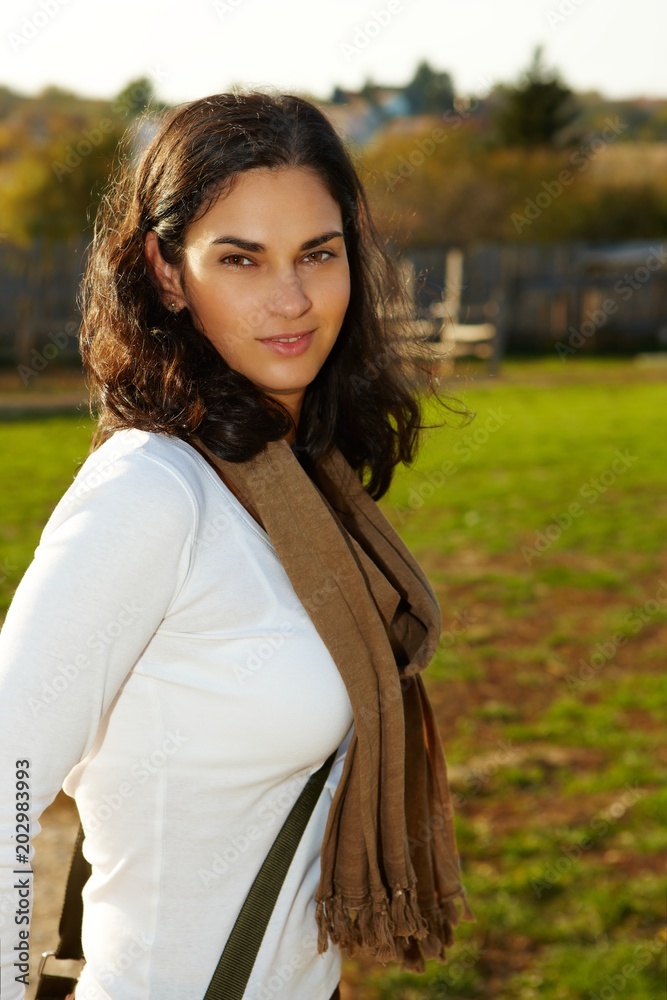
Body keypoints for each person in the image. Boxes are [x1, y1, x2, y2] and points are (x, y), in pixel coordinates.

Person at [0, 91, 469, 1000]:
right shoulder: (153, 492)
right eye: (240, 259)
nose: (291, 299)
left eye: (317, 255)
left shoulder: (296, 476)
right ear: (168, 274)